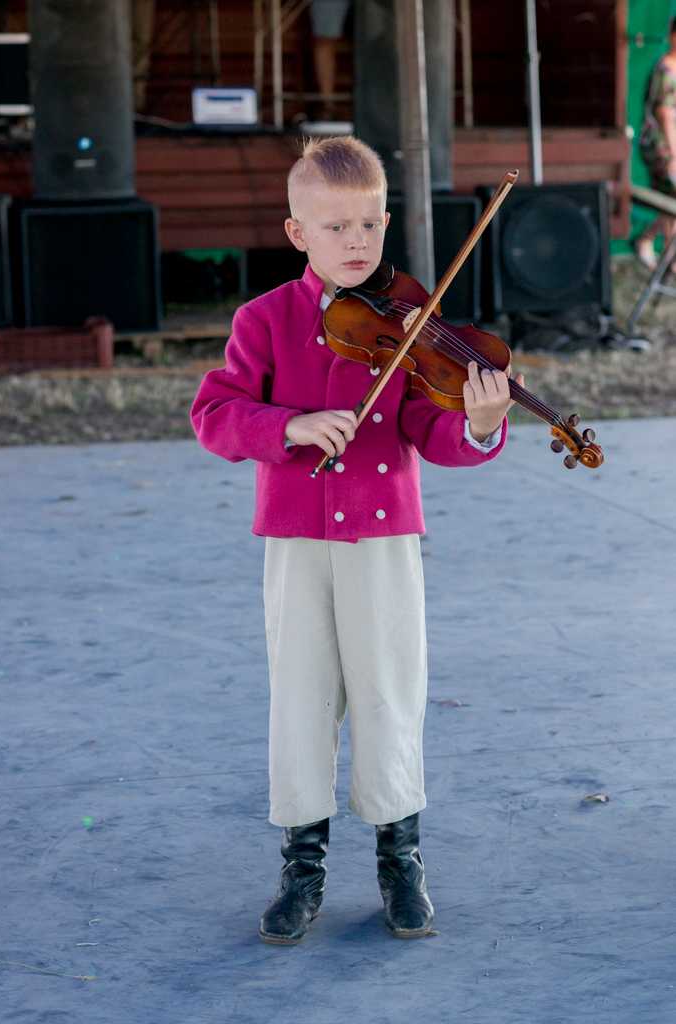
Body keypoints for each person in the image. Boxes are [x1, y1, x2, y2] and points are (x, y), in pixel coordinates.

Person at [191, 136, 521, 945]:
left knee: (388, 693)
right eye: (335, 227)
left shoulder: (412, 323)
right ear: (297, 232)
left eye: (369, 224)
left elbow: (426, 429)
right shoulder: (262, 318)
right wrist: (289, 423)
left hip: (383, 537)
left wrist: (477, 423)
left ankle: (399, 862)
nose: (355, 242)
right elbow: (214, 412)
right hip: (296, 535)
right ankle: (301, 869)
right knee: (300, 697)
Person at [636, 16, 676, 270]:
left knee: (671, 203)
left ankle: (659, 249)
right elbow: (664, 115)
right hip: (661, 146)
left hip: (671, 145)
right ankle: (665, 253)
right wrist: (674, 155)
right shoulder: (665, 69)